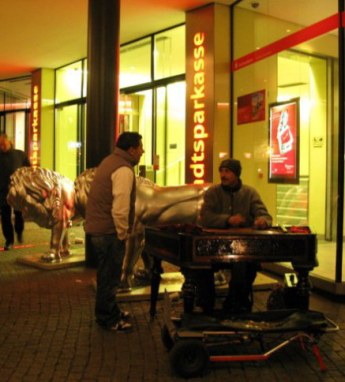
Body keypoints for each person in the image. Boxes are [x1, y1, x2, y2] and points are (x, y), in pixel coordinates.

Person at [85, 132, 144, 332]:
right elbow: (120, 206)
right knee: (110, 277)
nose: (142, 151)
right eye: (140, 147)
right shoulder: (123, 169)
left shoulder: (110, 161)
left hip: (99, 229)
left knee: (106, 275)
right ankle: (108, 318)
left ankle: (110, 311)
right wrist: (122, 232)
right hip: (108, 232)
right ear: (132, 149)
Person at [199, 158, 272, 313]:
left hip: (241, 247)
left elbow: (265, 215)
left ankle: (236, 302)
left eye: (228, 171)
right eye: (221, 171)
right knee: (201, 266)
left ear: (237, 174)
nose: (223, 175)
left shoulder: (250, 193)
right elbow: (206, 217)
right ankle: (207, 305)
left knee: (247, 265)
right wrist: (228, 220)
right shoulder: (213, 192)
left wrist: (262, 222)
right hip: (215, 247)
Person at [0, 135, 30, 250]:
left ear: (9, 142)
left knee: (19, 214)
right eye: (0, 145)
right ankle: (9, 240)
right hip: (3, 192)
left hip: (18, 190)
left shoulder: (20, 154)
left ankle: (19, 231)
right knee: (6, 217)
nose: (2, 147)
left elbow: (28, 169)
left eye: (4, 144)